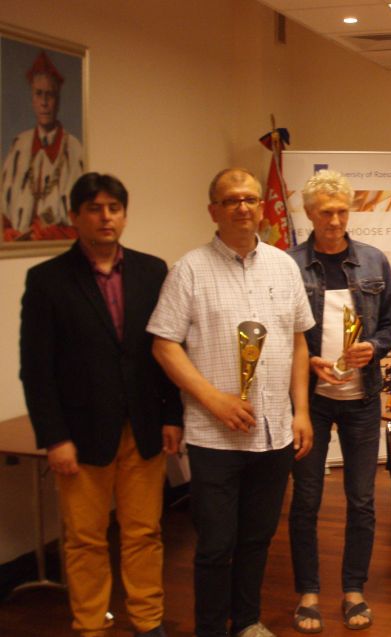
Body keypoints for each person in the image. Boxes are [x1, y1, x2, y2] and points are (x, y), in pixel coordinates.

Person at [147, 168, 314, 637]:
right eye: (232, 200)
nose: (243, 207)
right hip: (215, 436)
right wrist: (213, 400)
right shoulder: (189, 270)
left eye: (251, 199)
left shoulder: (285, 266)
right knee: (216, 545)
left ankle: (247, 621)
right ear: (213, 211)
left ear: (262, 208)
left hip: (274, 432)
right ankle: (210, 629)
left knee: (258, 538)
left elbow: (299, 341)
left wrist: (301, 411)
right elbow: (164, 344)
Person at [19, 172, 182, 637]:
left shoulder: (153, 271)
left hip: (144, 427)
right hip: (80, 435)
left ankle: (148, 621)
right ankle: (90, 624)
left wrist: (172, 416)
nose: (106, 217)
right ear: (75, 216)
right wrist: (54, 438)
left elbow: (167, 348)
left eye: (114, 208)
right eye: (94, 208)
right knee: (85, 538)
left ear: (125, 215)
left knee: (144, 532)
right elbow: (37, 369)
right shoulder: (47, 280)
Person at [286, 169, 391, 633]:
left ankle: (354, 589)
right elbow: (283, 331)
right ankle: (308, 593)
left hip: (362, 399)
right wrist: (308, 360)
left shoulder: (373, 261)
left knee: (362, 500)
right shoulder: (289, 265)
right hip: (310, 401)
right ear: (309, 213)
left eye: (341, 211)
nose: (334, 220)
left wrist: (372, 347)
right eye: (325, 212)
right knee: (305, 501)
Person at [2, 50, 84, 239]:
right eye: (39, 94)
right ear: (32, 99)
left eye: (50, 95)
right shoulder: (19, 146)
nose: (44, 103)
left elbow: (79, 225)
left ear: (58, 100)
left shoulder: (73, 148)